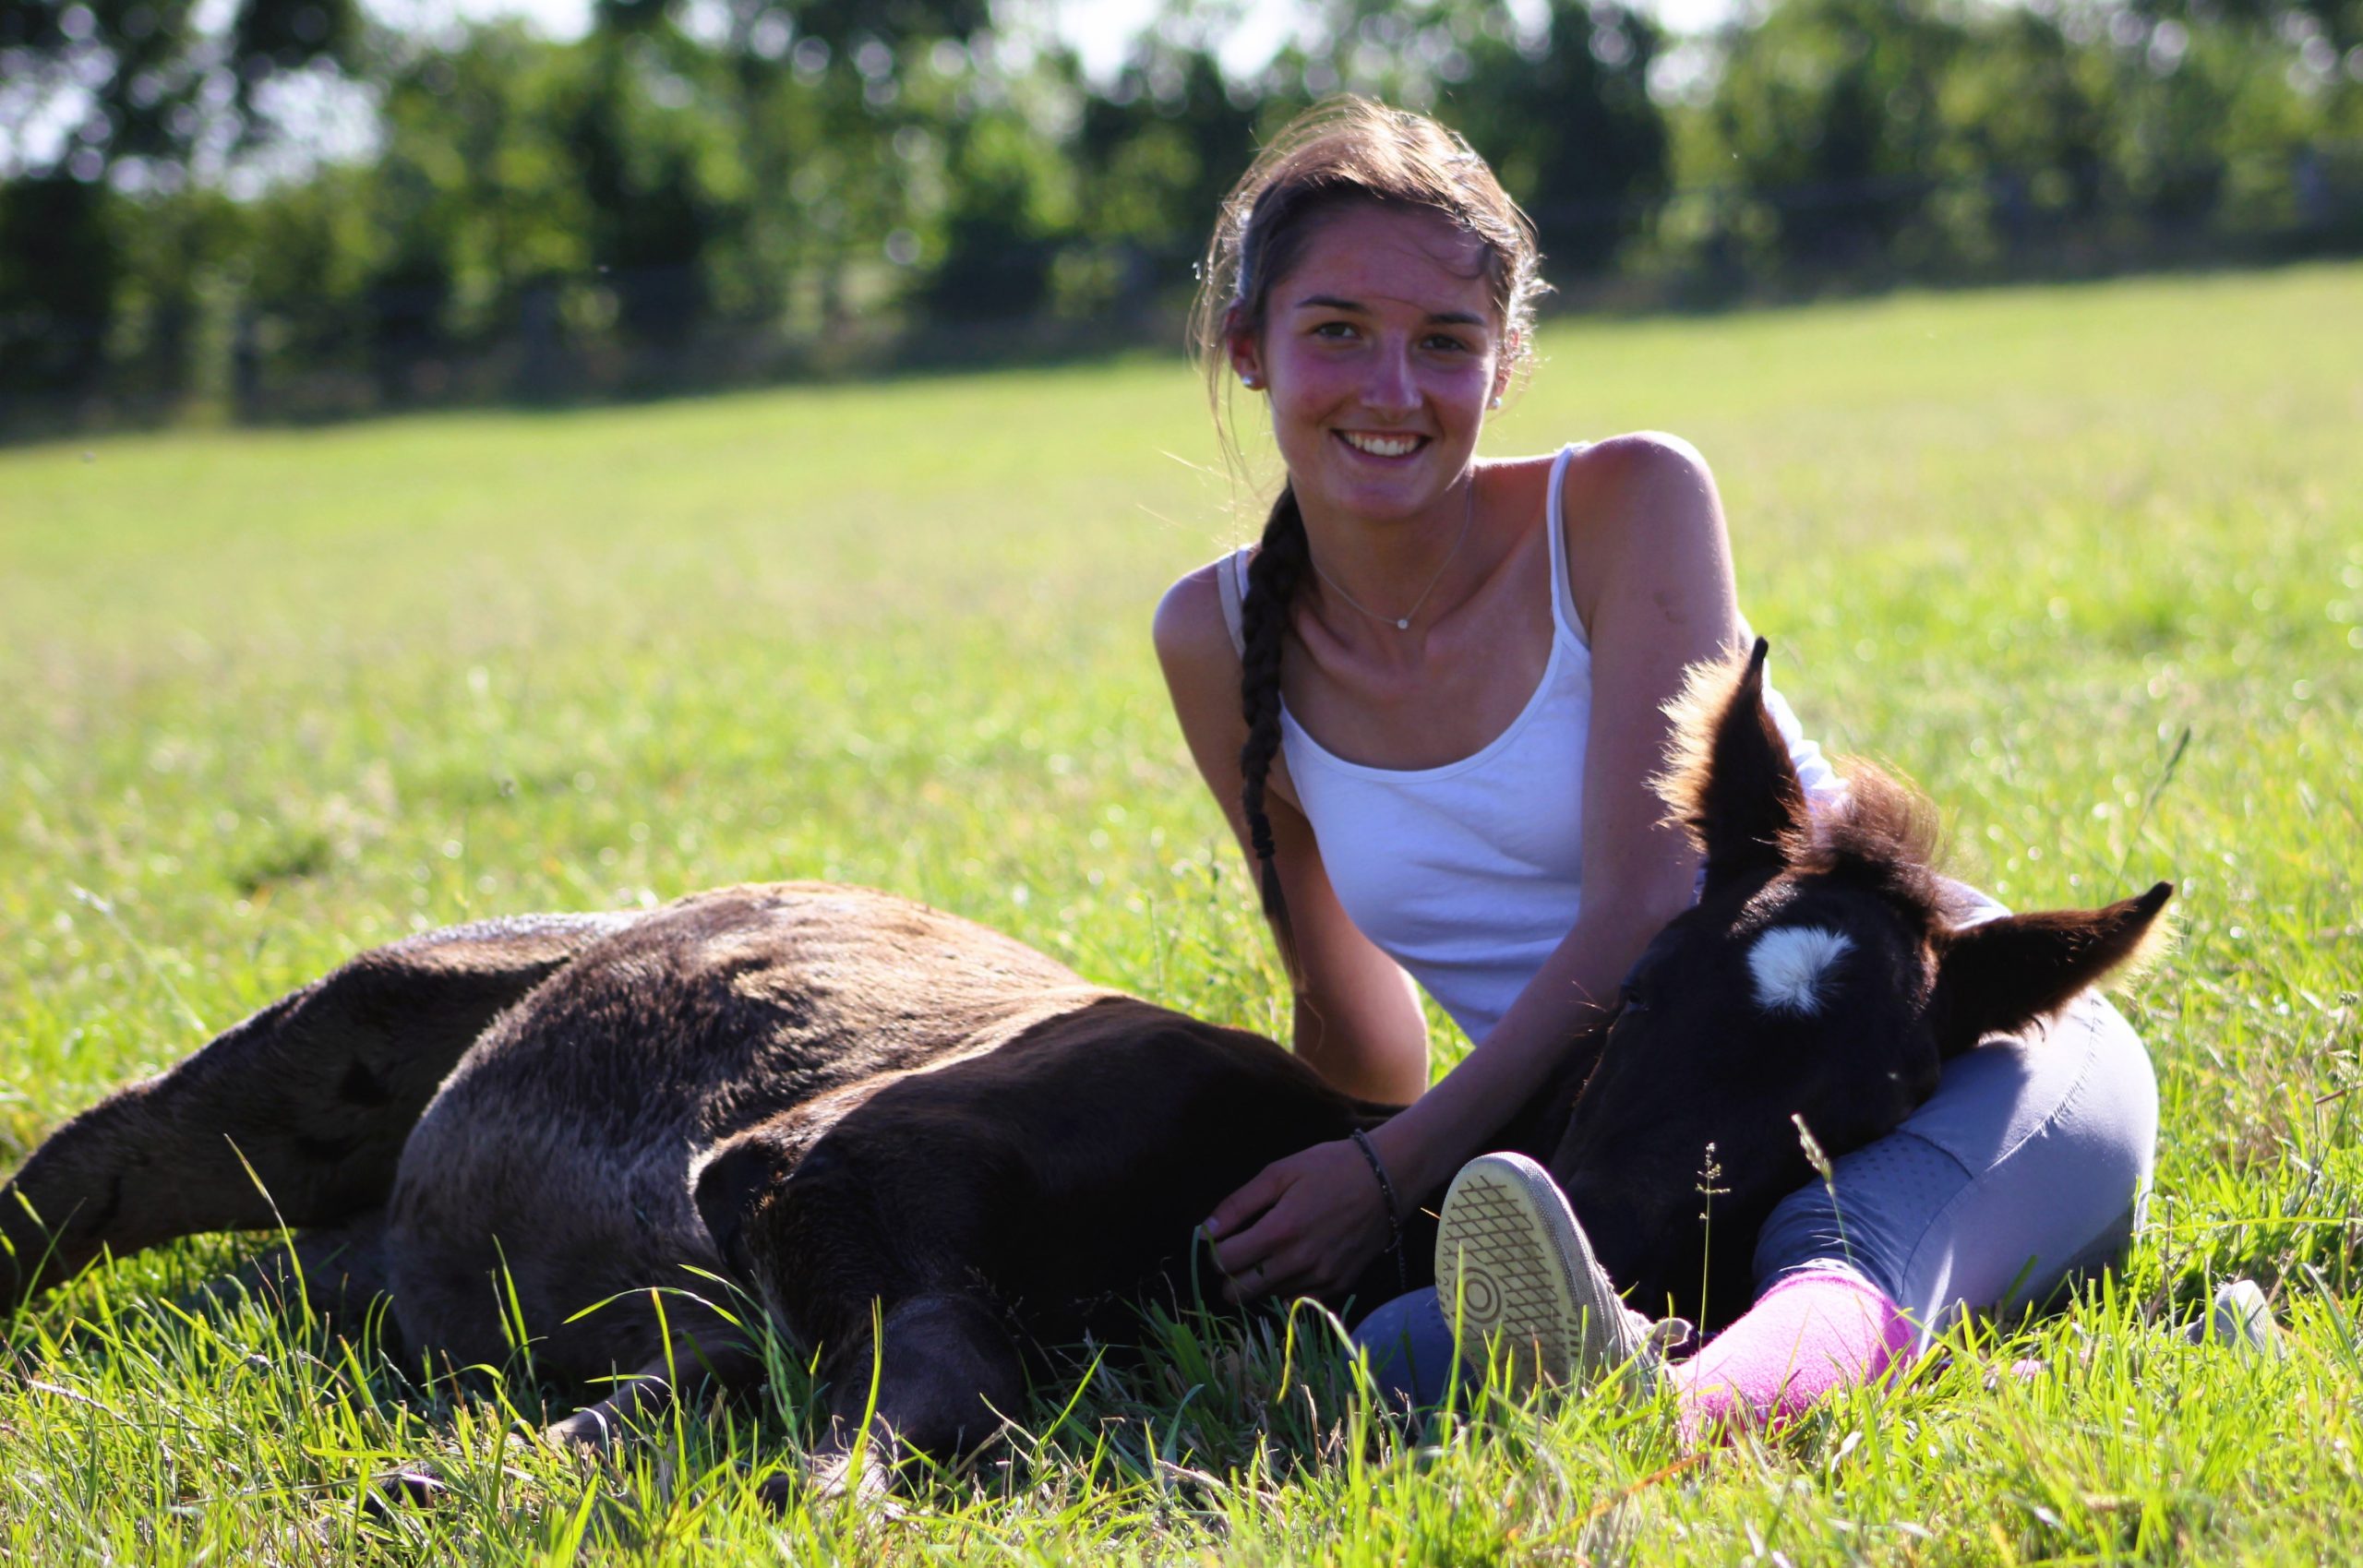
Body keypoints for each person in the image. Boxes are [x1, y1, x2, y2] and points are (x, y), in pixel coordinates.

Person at [1150, 97, 2158, 1434]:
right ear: (1249, 347)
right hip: (1631, 1152)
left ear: (1502, 366)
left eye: (1445, 343)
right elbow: (1357, 1025)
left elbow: (1643, 909)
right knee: (1395, 1357)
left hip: (1941, 1060)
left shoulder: (1623, 507)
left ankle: (1683, 1420)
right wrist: (1310, 1197)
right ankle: (1666, 1356)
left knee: (1841, 1242)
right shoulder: (1212, 638)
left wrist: (1396, 1176)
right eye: (1337, 330)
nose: (1393, 391)